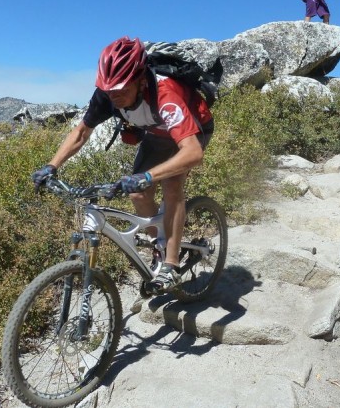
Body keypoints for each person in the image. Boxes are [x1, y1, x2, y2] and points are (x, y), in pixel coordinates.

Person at [32, 37, 214, 293]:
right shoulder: (108, 93)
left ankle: (171, 266)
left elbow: (193, 153)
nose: (114, 97)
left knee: (172, 185)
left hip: (193, 130)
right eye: (110, 92)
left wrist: (149, 176)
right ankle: (158, 247)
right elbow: (82, 132)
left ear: (140, 81)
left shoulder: (166, 93)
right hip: (156, 131)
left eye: (121, 91)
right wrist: (51, 166)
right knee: (137, 192)